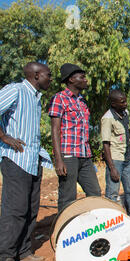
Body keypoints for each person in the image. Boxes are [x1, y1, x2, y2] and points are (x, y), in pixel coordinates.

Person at [0, 62, 53, 261]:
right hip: (15, 161)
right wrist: (4, 137)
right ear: (37, 75)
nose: (50, 78)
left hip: (32, 161)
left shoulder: (36, 98)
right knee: (15, 210)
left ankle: (24, 251)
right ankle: (5, 257)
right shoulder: (16, 90)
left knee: (31, 209)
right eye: (48, 75)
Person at [48, 63, 101, 213]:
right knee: (68, 196)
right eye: (82, 77)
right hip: (68, 155)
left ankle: (93, 228)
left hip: (85, 155)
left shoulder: (82, 101)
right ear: (71, 79)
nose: (86, 80)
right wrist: (58, 159)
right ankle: (64, 231)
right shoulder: (60, 99)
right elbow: (55, 129)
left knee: (95, 192)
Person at [101, 90, 130, 228]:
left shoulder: (124, 114)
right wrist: (112, 168)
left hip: (127, 158)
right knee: (113, 192)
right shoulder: (108, 118)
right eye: (122, 102)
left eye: (125, 100)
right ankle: (111, 221)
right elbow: (106, 143)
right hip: (115, 159)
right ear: (113, 103)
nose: (125, 104)